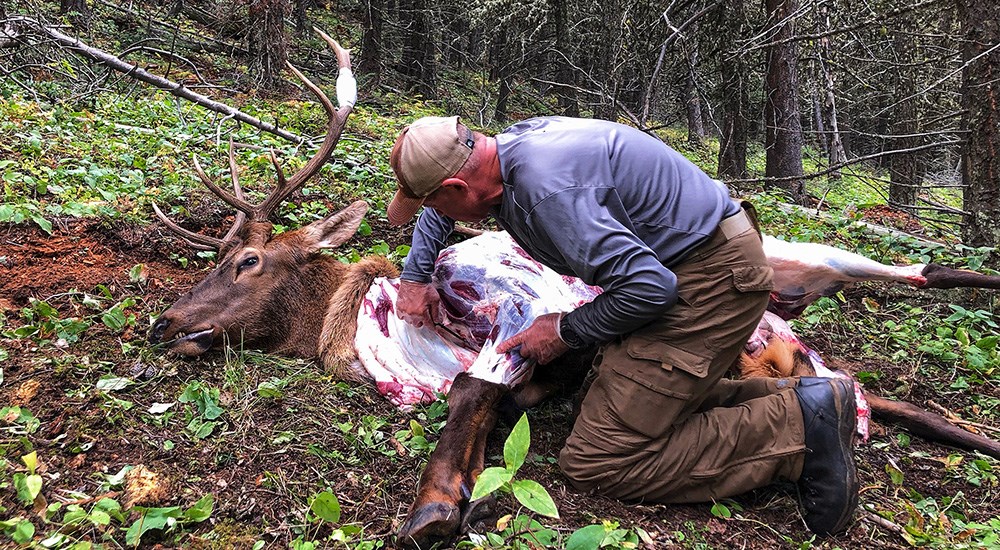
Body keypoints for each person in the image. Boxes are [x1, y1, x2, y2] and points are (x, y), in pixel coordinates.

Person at [386, 115, 859, 536]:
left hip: (709, 282)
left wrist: (564, 329)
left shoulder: (549, 195)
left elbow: (650, 289)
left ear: (457, 186)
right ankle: (807, 402)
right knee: (613, 410)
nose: (438, 216)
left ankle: (795, 432)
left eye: (440, 205)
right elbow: (439, 205)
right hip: (690, 262)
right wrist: (414, 275)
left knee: (598, 458)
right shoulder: (504, 151)